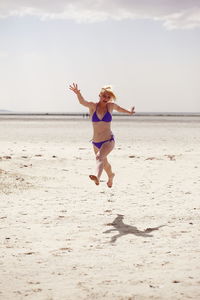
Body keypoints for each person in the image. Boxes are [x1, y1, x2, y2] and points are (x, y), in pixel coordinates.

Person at [69, 83, 135, 187]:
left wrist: (130, 112)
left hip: (108, 140)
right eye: (104, 96)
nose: (106, 98)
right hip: (95, 142)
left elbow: (120, 109)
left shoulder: (110, 106)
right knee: (104, 163)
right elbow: (83, 102)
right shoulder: (93, 106)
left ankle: (97, 177)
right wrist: (78, 93)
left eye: (109, 97)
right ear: (100, 95)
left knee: (99, 157)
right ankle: (111, 176)